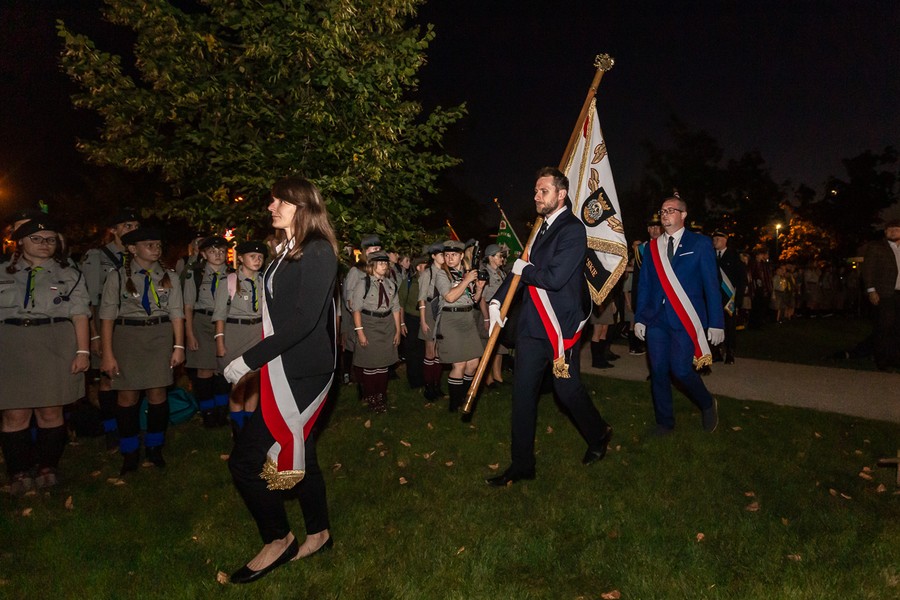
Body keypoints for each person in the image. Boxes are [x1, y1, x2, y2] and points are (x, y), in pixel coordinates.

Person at [224, 176, 338, 584]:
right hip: (283, 366)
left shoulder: (318, 251)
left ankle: (278, 539)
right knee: (302, 449)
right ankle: (320, 532)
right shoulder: (284, 252)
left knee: (244, 460)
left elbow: (305, 320)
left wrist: (248, 361)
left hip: (303, 371)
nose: (271, 206)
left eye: (280, 201)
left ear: (302, 206)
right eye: (272, 200)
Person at [486, 167, 613, 486]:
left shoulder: (573, 230)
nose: (536, 196)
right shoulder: (539, 229)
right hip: (532, 325)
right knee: (522, 394)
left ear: (561, 194)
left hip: (560, 329)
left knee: (567, 390)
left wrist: (524, 270)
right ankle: (522, 464)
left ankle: (598, 434)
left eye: (543, 191)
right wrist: (498, 301)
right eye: (535, 191)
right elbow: (521, 268)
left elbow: (553, 278)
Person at [0, 218, 91, 495]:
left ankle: (47, 467)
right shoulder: (3, 271)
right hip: (11, 344)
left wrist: (83, 351)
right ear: (21, 242)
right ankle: (18, 470)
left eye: (50, 240)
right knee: (15, 413)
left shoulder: (69, 274)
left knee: (51, 411)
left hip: (55, 342)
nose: (44, 245)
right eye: (37, 239)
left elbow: (80, 314)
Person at [633, 196, 724, 435]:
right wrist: (640, 317)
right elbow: (644, 285)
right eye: (662, 211)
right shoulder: (651, 247)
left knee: (682, 370)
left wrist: (716, 323)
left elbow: (711, 286)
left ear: (683, 215)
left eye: (671, 210)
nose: (664, 214)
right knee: (659, 371)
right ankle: (664, 422)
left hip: (685, 318)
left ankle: (706, 403)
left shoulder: (700, 244)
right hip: (656, 319)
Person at [99, 227, 186, 473]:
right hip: (128, 337)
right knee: (127, 396)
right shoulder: (117, 277)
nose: (156, 249)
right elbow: (107, 316)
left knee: (158, 393)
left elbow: (176, 313)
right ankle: (129, 451)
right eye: (149, 245)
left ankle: (155, 448)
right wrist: (107, 353)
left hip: (159, 336)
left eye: (158, 245)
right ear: (132, 249)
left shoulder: (170, 276)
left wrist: (178, 346)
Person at [81, 208, 140, 449]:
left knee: (131, 379)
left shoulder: (141, 254)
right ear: (113, 230)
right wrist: (94, 335)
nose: (132, 230)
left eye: (135, 226)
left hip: (132, 327)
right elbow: (90, 300)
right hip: (105, 325)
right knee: (107, 380)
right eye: (126, 226)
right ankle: (110, 428)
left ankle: (131, 426)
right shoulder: (97, 256)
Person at [213, 240, 267, 436]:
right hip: (235, 333)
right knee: (239, 381)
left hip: (257, 333)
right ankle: (238, 428)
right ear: (241, 259)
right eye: (252, 256)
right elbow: (219, 314)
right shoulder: (229, 281)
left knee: (254, 379)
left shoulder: (264, 281)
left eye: (260, 257)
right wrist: (220, 342)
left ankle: (250, 425)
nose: (257, 260)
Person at [184, 235, 233, 427]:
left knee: (222, 369)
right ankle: (208, 412)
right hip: (202, 322)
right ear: (203, 254)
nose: (218, 255)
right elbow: (187, 306)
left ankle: (222, 411)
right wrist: (189, 333)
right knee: (204, 369)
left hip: (225, 323)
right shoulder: (194, 274)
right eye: (212, 251)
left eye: (222, 251)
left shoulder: (232, 275)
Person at [434, 239, 485, 412]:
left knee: (473, 363)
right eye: (447, 255)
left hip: (467, 319)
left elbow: (473, 300)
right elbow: (449, 297)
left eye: (453, 255)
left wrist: (478, 289)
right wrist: (467, 280)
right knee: (459, 365)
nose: (449, 258)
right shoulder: (442, 274)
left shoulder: (466, 272)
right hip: (451, 320)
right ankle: (455, 404)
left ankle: (466, 397)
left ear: (461, 255)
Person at [351, 251, 402, 413]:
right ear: (371, 266)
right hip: (369, 324)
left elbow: (395, 308)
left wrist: (398, 331)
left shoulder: (390, 284)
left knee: (384, 363)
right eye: (381, 263)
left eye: (386, 263)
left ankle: (381, 394)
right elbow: (356, 309)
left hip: (386, 325)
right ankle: (371, 395)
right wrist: (360, 333)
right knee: (370, 363)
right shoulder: (363, 283)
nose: (384, 266)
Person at [861, 219, 900, 371]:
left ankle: (895, 358)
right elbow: (868, 270)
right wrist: (871, 290)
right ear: (885, 232)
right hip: (885, 294)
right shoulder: (877, 247)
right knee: (884, 327)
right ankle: (882, 360)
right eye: (889, 230)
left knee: (897, 328)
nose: (893, 232)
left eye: (896, 229)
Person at [417, 242, 446, 400]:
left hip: (442, 310)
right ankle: (429, 386)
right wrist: (423, 320)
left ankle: (437, 384)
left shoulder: (446, 272)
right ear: (433, 256)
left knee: (438, 351)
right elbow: (421, 298)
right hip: (429, 309)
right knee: (430, 351)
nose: (444, 256)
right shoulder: (427, 273)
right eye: (440, 254)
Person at [710, 229, 745, 364]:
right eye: (714, 239)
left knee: (729, 326)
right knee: (714, 324)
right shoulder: (710, 256)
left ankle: (730, 352)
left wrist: (738, 300)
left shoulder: (734, 257)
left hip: (728, 298)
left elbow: (741, 280)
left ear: (725, 240)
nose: (715, 241)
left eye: (718, 239)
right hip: (714, 298)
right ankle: (716, 351)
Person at [478, 244, 508, 386]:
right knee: (487, 346)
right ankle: (487, 378)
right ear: (491, 257)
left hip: (500, 312)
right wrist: (486, 318)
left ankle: (498, 376)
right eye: (499, 256)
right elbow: (482, 299)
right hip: (489, 311)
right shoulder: (485, 273)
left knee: (499, 346)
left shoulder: (501, 273)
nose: (502, 258)